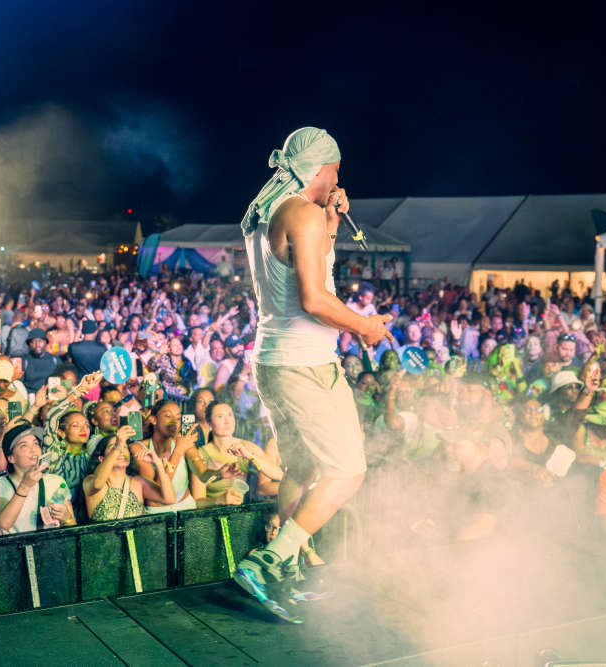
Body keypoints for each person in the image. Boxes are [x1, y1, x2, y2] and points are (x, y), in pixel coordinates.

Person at [234, 127, 392, 621]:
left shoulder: (272, 209)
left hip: (274, 360)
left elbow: (312, 266)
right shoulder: (300, 212)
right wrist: (365, 326)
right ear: (322, 169)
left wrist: (332, 220)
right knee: (348, 472)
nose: (338, 180)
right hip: (305, 365)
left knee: (301, 469)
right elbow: (315, 298)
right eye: (336, 171)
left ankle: (286, 570)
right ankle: (268, 562)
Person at [0, 424, 75, 534]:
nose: (33, 450)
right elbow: (5, 523)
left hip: (51, 544)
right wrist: (25, 486)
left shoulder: (56, 482)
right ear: (11, 458)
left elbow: (73, 528)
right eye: (24, 445)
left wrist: (67, 518)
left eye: (36, 443)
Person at [83, 425, 175, 521]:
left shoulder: (138, 482)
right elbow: (97, 484)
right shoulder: (90, 480)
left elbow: (169, 499)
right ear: (101, 459)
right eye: (113, 447)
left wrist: (158, 464)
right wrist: (117, 447)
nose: (121, 450)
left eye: (125, 447)